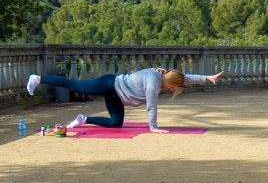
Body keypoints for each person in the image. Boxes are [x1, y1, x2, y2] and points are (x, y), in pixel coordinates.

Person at [26, 69, 224, 133]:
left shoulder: (168, 75)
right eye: (174, 88)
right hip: (109, 84)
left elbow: (184, 77)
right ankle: (39, 79)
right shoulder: (154, 83)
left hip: (117, 94)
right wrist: (153, 127)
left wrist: (207, 78)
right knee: (74, 85)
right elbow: (151, 106)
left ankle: (83, 119)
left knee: (115, 123)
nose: (172, 90)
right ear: (169, 84)